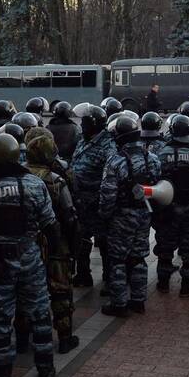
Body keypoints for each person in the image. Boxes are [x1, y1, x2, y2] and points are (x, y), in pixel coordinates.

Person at [0, 134, 60, 377]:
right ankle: (45, 367)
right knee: (40, 314)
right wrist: (56, 257)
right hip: (29, 257)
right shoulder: (34, 184)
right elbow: (50, 226)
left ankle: (3, 373)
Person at [98, 115, 161, 316]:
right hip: (144, 213)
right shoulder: (152, 158)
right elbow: (155, 188)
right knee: (138, 257)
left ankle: (119, 304)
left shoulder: (115, 161)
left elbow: (108, 194)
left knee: (117, 259)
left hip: (121, 216)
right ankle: (138, 300)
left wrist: (105, 216)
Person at [25, 131, 80, 354]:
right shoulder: (55, 180)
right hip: (57, 244)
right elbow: (70, 217)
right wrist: (75, 249)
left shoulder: (20, 176)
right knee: (61, 291)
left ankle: (22, 337)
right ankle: (65, 337)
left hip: (28, 246)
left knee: (26, 292)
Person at [153, 114, 189, 296]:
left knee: (165, 244)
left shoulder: (160, 155)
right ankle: (187, 285)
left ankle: (162, 282)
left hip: (167, 207)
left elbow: (153, 183)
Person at [71, 104, 115, 288]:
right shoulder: (84, 140)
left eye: (85, 121)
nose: (82, 124)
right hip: (80, 200)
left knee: (104, 240)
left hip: (97, 201)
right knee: (81, 238)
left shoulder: (108, 145)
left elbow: (109, 176)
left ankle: (108, 277)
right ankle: (83, 274)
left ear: (95, 123)